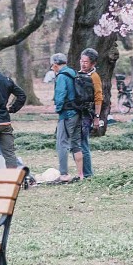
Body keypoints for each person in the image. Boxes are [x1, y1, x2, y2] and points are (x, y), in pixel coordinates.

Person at [50, 52, 93, 182]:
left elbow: (60, 94)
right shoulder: (74, 73)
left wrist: (57, 109)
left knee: (61, 143)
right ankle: (80, 174)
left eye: (52, 65)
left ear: (56, 65)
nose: (52, 68)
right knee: (76, 144)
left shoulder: (62, 76)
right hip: (78, 113)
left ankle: (63, 174)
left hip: (67, 114)